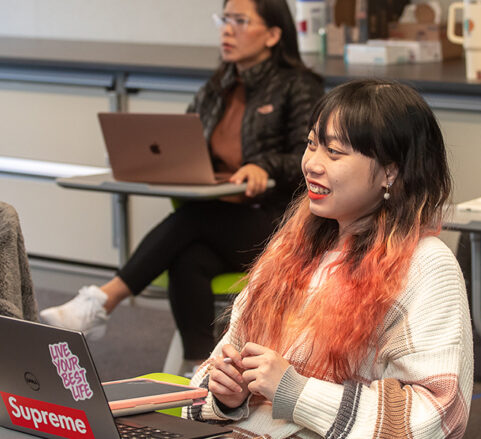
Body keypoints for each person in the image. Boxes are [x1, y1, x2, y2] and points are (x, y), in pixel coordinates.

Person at [183, 78, 473, 438]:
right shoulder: (293, 247)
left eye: (334, 152)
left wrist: (296, 392)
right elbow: (211, 373)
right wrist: (228, 395)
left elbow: (435, 417)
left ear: (390, 172)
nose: (312, 164)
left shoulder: (426, 265)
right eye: (311, 145)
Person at [40, 0, 324, 366]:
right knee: (189, 258)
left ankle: (102, 301)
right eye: (224, 19)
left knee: (193, 219)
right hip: (220, 221)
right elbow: (184, 144)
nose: (226, 29)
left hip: (277, 221)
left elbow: (315, 154)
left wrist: (264, 166)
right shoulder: (216, 87)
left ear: (272, 34)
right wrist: (147, 161)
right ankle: (200, 367)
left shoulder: (298, 86)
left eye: (240, 20)